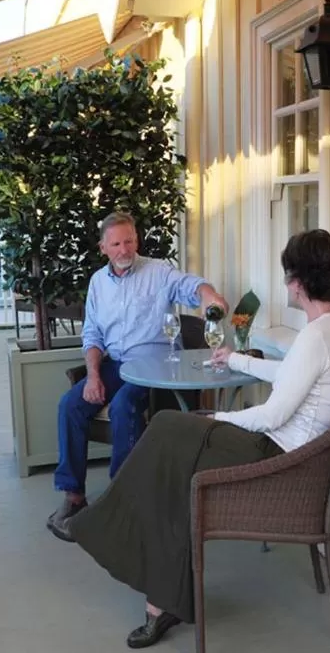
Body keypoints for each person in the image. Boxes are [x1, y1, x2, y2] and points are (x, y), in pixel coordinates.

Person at [61, 228, 330, 649]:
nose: (286, 282)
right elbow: (289, 375)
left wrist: (219, 417)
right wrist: (235, 360)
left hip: (274, 456)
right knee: (167, 441)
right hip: (286, 448)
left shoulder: (316, 337)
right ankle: (151, 582)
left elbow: (272, 415)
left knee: (167, 441)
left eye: (288, 274)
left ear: (298, 282)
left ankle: (123, 548)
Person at [46, 211, 228, 541]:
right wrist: (93, 375)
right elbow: (92, 335)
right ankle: (74, 497)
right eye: (116, 244)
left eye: (129, 241)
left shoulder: (158, 272)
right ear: (103, 247)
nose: (124, 249)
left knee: (123, 407)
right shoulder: (98, 283)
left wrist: (209, 296)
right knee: (69, 406)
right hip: (115, 363)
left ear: (136, 240)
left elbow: (190, 286)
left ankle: (123, 500)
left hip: (153, 364)